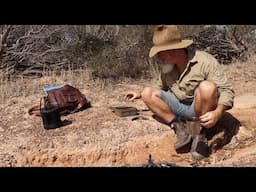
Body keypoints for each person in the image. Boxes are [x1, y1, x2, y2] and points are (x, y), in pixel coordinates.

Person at [124, 25, 235, 160]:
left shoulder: (204, 60)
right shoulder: (167, 67)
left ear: (173, 50)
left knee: (207, 87)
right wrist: (140, 94)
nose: (158, 57)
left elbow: (227, 90)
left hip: (198, 110)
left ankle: (200, 134)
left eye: (160, 52)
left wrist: (217, 113)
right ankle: (179, 128)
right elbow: (158, 88)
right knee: (147, 92)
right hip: (178, 108)